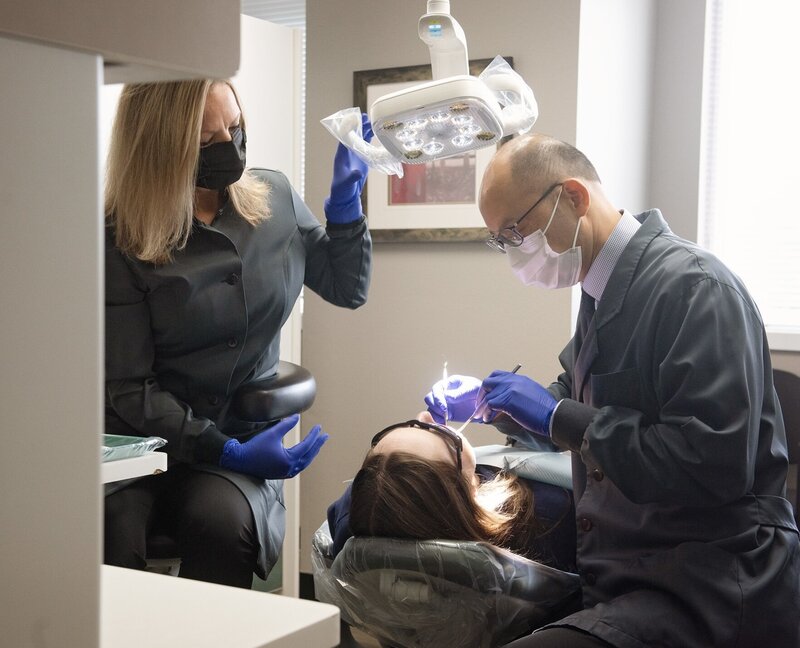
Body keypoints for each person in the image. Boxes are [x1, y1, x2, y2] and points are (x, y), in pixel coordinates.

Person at [426, 133, 800, 647]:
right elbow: (580, 399)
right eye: (501, 240)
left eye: (516, 231)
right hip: (632, 572)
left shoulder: (695, 288)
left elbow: (711, 464)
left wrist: (557, 416)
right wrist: (498, 408)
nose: (514, 251)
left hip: (712, 581)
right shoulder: (601, 289)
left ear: (574, 197)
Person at [103, 79, 372, 588]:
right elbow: (130, 388)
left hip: (231, 438)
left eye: (234, 127)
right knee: (116, 540)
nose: (228, 146)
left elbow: (347, 286)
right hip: (141, 444)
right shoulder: (120, 237)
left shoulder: (273, 200)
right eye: (205, 141)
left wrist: (345, 206)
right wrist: (225, 451)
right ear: (159, 146)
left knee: (222, 526)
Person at [327, 412, 577, 574]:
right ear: (467, 488)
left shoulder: (355, 517)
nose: (426, 416)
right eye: (437, 432)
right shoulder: (549, 513)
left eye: (412, 424)